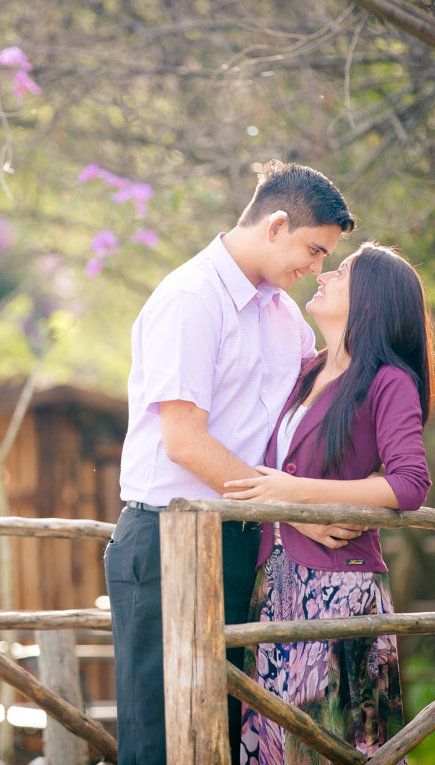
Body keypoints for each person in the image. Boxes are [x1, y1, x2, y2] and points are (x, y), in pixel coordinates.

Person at [105, 161, 357, 765]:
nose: (316, 268)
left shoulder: (285, 316)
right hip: (166, 541)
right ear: (275, 225)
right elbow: (185, 442)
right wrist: (295, 513)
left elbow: (306, 418)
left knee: (222, 738)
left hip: (243, 540)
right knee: (161, 742)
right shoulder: (191, 299)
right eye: (314, 249)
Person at [221, 243, 435, 764]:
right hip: (274, 584)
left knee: (336, 746)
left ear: (369, 299)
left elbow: (410, 483)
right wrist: (293, 507)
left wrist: (299, 495)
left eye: (340, 272)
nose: (323, 275)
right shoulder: (306, 372)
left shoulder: (389, 380)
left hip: (340, 587)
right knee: (274, 746)